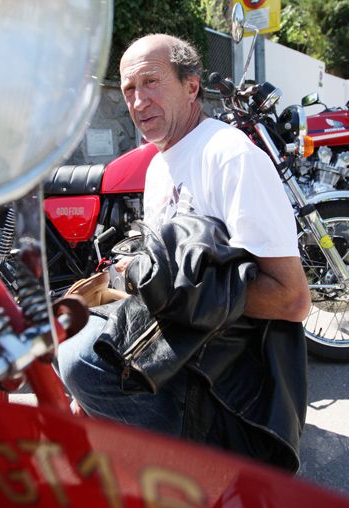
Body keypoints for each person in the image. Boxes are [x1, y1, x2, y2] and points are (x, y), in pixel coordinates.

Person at [57, 34, 311, 469]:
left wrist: (173, 292)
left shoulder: (230, 156)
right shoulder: (158, 164)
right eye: (129, 90)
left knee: (83, 364)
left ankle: (200, 471)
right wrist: (125, 278)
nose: (138, 101)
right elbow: (171, 264)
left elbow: (292, 298)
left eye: (151, 82)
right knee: (65, 324)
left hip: (227, 369)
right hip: (188, 341)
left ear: (191, 86)